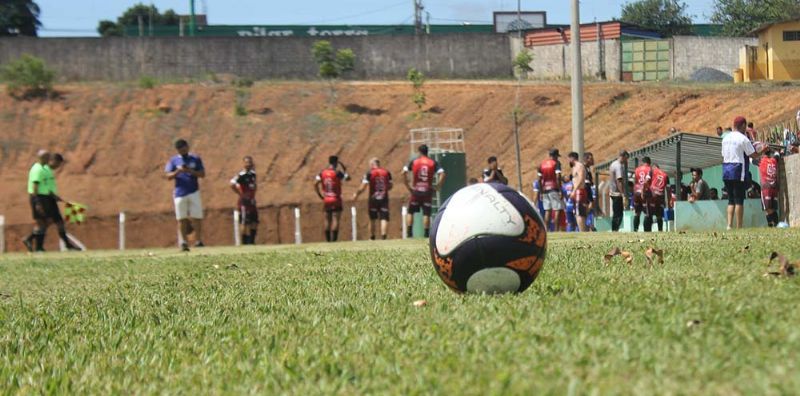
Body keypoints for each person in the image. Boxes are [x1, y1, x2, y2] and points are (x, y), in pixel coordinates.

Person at [722, 116, 762, 230]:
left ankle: (729, 225)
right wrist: (762, 150)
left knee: (730, 199)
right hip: (738, 170)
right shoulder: (743, 138)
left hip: (726, 169)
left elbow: (723, 154)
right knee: (739, 199)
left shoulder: (725, 138)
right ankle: (739, 226)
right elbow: (753, 155)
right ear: (743, 126)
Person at [165, 139, 206, 251]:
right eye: (180, 149)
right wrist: (178, 171)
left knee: (196, 217)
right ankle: (183, 242)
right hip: (180, 193)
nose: (183, 150)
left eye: (184, 148)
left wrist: (190, 171)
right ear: (177, 150)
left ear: (187, 147)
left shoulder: (195, 158)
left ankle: (198, 241)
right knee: (181, 218)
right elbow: (168, 176)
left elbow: (202, 174)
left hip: (194, 191)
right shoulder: (173, 161)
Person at [403, 145, 445, 238]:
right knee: (426, 213)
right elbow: (442, 173)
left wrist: (407, 185)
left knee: (410, 212)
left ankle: (409, 234)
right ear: (427, 152)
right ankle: (426, 234)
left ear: (419, 152)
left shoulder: (414, 161)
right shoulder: (432, 162)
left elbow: (404, 172)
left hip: (416, 190)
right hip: (427, 190)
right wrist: (437, 186)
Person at [353, 157, 393, 240]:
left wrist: (357, 193)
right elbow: (390, 185)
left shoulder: (369, 173)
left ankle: (372, 237)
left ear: (372, 164)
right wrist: (385, 188)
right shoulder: (386, 172)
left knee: (372, 218)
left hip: (373, 199)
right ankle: (383, 237)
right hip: (384, 198)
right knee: (384, 218)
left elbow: (363, 186)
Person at [315, 155, 350, 242]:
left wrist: (319, 194)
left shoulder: (322, 173)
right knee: (335, 218)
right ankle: (334, 240)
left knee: (327, 218)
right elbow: (348, 178)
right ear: (336, 163)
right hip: (336, 198)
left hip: (326, 198)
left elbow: (315, 183)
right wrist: (345, 170)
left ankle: (328, 240)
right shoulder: (337, 173)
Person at [23, 150, 51, 252]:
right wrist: (37, 203)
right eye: (47, 157)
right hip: (37, 198)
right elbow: (35, 186)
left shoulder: (43, 168)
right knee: (41, 222)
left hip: (43, 197)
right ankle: (36, 245)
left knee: (46, 221)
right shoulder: (37, 169)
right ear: (42, 158)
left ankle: (32, 241)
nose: (49, 159)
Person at [230, 156, 258, 245]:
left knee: (254, 221)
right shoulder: (241, 175)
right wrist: (240, 194)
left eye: (250, 162)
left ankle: (252, 241)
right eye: (247, 162)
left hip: (252, 201)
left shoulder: (253, 174)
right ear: (243, 164)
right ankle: (245, 241)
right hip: (244, 202)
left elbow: (254, 185)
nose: (248, 164)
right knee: (245, 222)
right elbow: (232, 183)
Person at [538, 149, 564, 232]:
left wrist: (541, 192)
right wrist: (560, 190)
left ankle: (546, 230)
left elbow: (539, 179)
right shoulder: (556, 163)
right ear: (556, 156)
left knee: (547, 210)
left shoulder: (542, 164)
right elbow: (558, 177)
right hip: (554, 188)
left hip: (545, 189)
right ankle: (556, 230)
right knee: (556, 209)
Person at [645, 163, 670, 232]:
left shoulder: (651, 171)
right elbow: (668, 190)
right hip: (660, 197)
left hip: (652, 196)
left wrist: (644, 190)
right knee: (659, 216)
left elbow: (646, 181)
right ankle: (660, 230)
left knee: (649, 214)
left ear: (653, 167)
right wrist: (669, 201)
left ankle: (648, 231)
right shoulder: (665, 175)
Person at [567, 152, 588, 232]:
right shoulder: (574, 167)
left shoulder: (579, 166)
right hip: (576, 191)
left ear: (572, 158)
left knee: (580, 213)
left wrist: (574, 191)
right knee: (577, 212)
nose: (568, 161)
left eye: (569, 159)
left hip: (580, 191)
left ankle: (582, 231)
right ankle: (581, 230)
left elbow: (581, 179)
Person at [608, 150, 629, 232]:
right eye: (626, 159)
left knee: (616, 213)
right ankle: (615, 230)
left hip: (613, 192)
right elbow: (619, 181)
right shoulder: (618, 166)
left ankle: (615, 229)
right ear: (623, 157)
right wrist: (623, 194)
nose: (626, 161)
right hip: (617, 193)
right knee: (618, 214)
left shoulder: (613, 164)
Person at [759, 148, 780, 227]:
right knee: (772, 207)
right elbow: (777, 154)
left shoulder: (761, 161)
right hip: (774, 187)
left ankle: (775, 224)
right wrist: (773, 149)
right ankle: (772, 225)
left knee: (768, 208)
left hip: (766, 188)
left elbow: (750, 158)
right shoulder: (774, 160)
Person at [632, 156, 652, 232]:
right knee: (647, 213)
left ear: (642, 162)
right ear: (649, 163)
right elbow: (646, 181)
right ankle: (646, 231)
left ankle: (635, 230)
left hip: (636, 192)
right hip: (645, 192)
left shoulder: (637, 169)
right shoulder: (649, 169)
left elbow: (635, 181)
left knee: (637, 213)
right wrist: (643, 190)